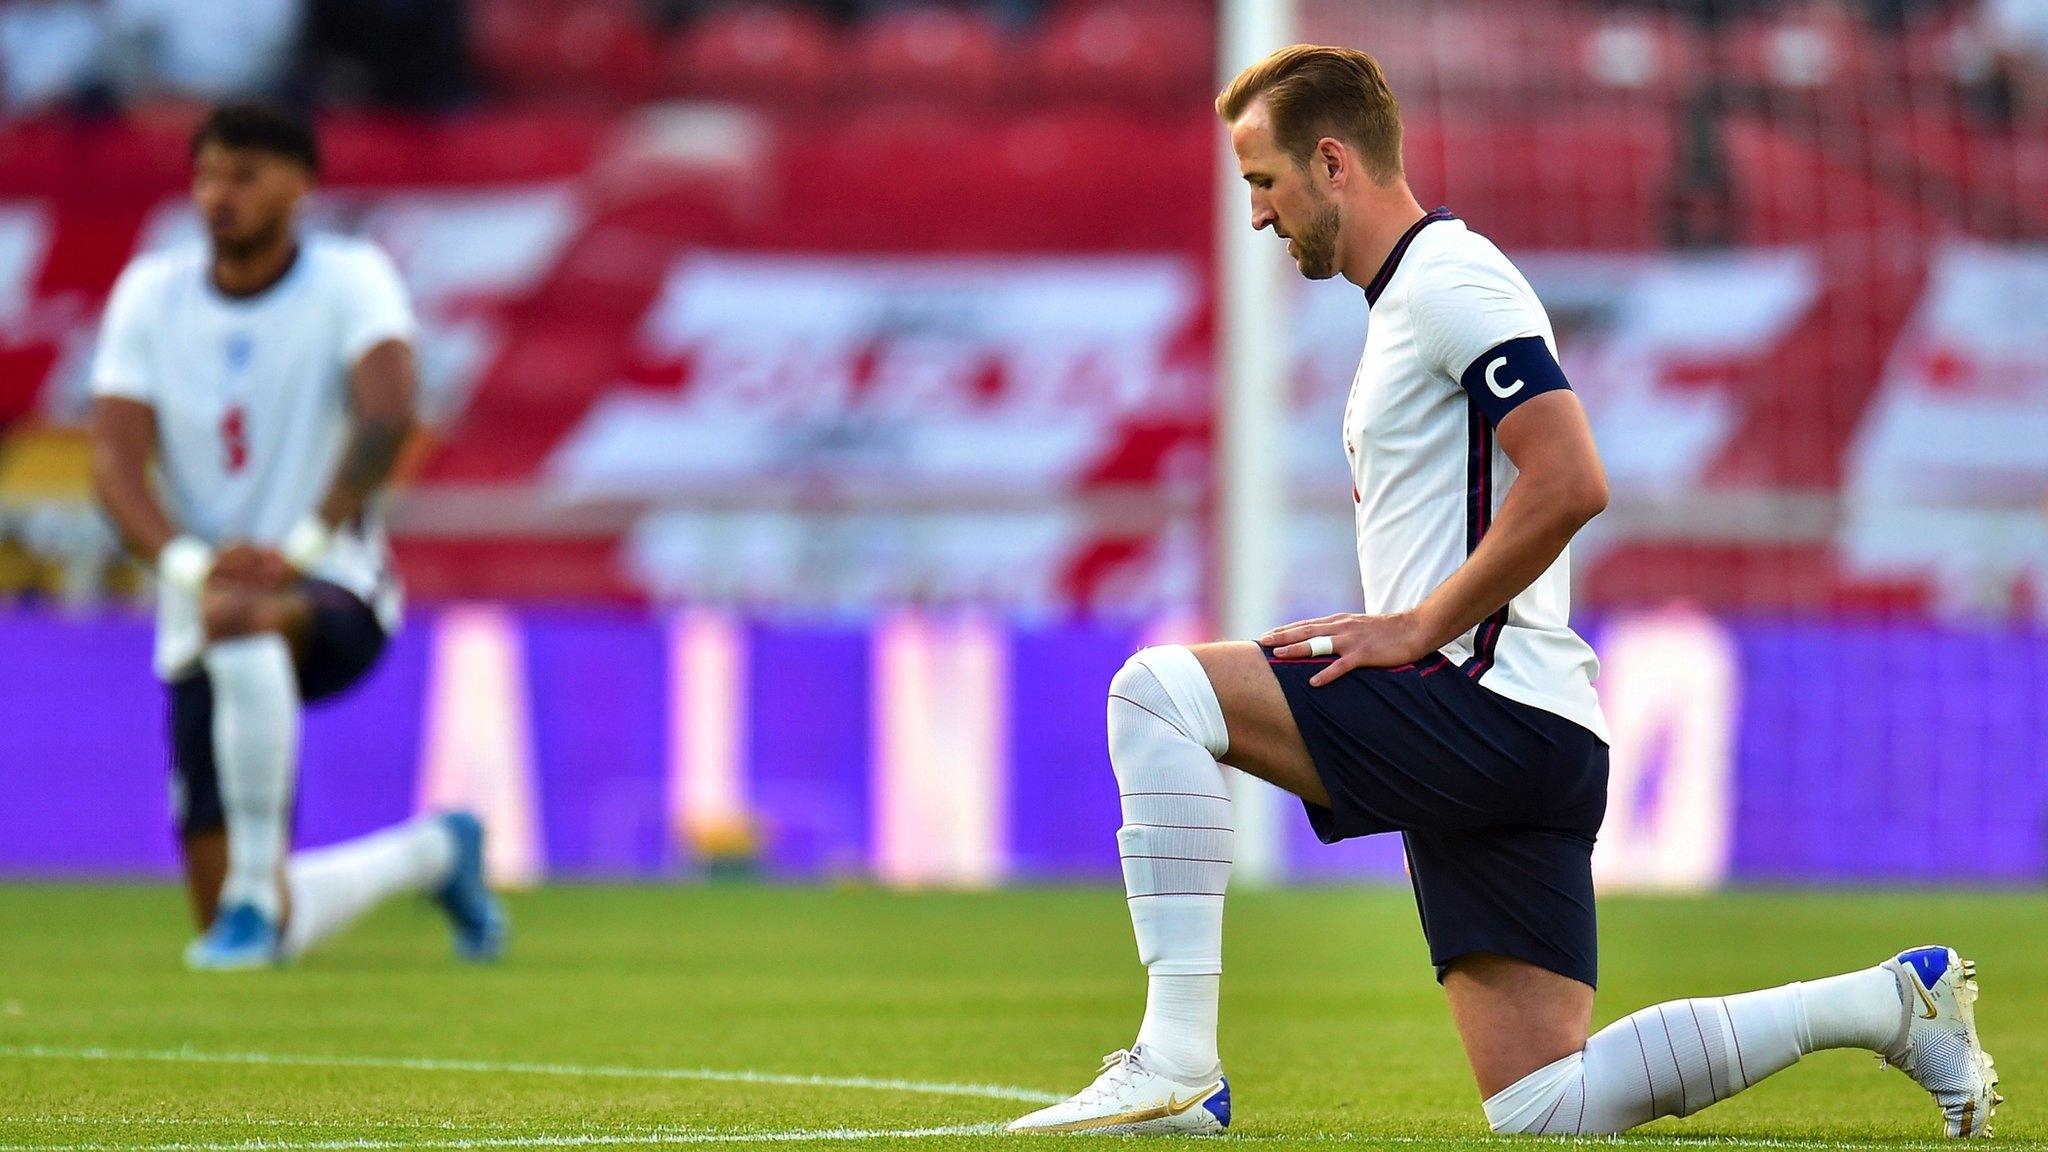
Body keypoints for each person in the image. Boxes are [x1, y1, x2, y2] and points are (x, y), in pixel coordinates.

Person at [1008, 45, 1998, 1138]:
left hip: (1481, 701)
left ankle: (1174, 1068)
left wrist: (1422, 624)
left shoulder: (1449, 280)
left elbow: (1570, 476)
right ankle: (1890, 1004)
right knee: (1544, 1105)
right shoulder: (1407, 302)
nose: (1255, 213)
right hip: (1529, 730)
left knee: (1155, 697)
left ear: (1331, 162)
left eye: (1262, 181)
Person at [89, 103, 505, 970]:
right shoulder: (151, 295)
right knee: (250, 930)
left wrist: (303, 547)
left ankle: (249, 898)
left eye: (245, 174)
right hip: (202, 600)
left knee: (250, 619)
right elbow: (115, 468)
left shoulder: (350, 277)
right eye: (207, 175)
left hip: (333, 587)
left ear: (302, 184)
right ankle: (434, 852)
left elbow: (389, 412)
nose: (219, 195)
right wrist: (191, 564)